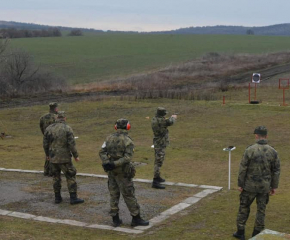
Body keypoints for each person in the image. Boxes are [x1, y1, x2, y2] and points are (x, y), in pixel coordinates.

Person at [99, 118, 149, 227]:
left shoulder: (109, 138)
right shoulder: (128, 140)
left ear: (116, 127)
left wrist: (107, 163)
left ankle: (115, 219)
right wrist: (114, 164)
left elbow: (102, 152)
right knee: (129, 194)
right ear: (127, 127)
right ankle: (136, 218)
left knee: (113, 193)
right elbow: (127, 158)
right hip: (123, 172)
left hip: (111, 171)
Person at [233, 126, 280, 240]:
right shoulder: (273, 151)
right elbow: (276, 170)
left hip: (249, 186)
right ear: (266, 136)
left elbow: (243, 168)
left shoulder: (249, 150)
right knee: (261, 210)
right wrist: (274, 186)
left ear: (256, 136)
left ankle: (240, 232)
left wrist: (241, 184)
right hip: (264, 187)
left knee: (244, 208)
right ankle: (257, 233)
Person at [43, 111, 84, 205]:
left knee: (56, 177)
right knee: (70, 176)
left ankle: (57, 197)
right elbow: (71, 144)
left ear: (56, 118)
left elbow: (45, 144)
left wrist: (47, 155)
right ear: (64, 118)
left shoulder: (49, 128)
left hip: (53, 157)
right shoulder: (67, 128)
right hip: (64, 157)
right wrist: (76, 155)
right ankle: (73, 198)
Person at [151, 107, 177, 189]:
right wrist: (173, 117)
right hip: (160, 143)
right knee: (158, 161)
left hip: (157, 141)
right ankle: (155, 180)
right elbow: (170, 122)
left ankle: (157, 176)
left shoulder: (155, 119)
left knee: (158, 160)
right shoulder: (161, 121)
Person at [40, 102, 59, 176]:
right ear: (56, 108)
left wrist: (45, 135)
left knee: (47, 154)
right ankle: (51, 171)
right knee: (53, 155)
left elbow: (41, 127)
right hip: (54, 138)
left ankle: (46, 170)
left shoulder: (43, 117)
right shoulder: (56, 117)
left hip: (46, 138)